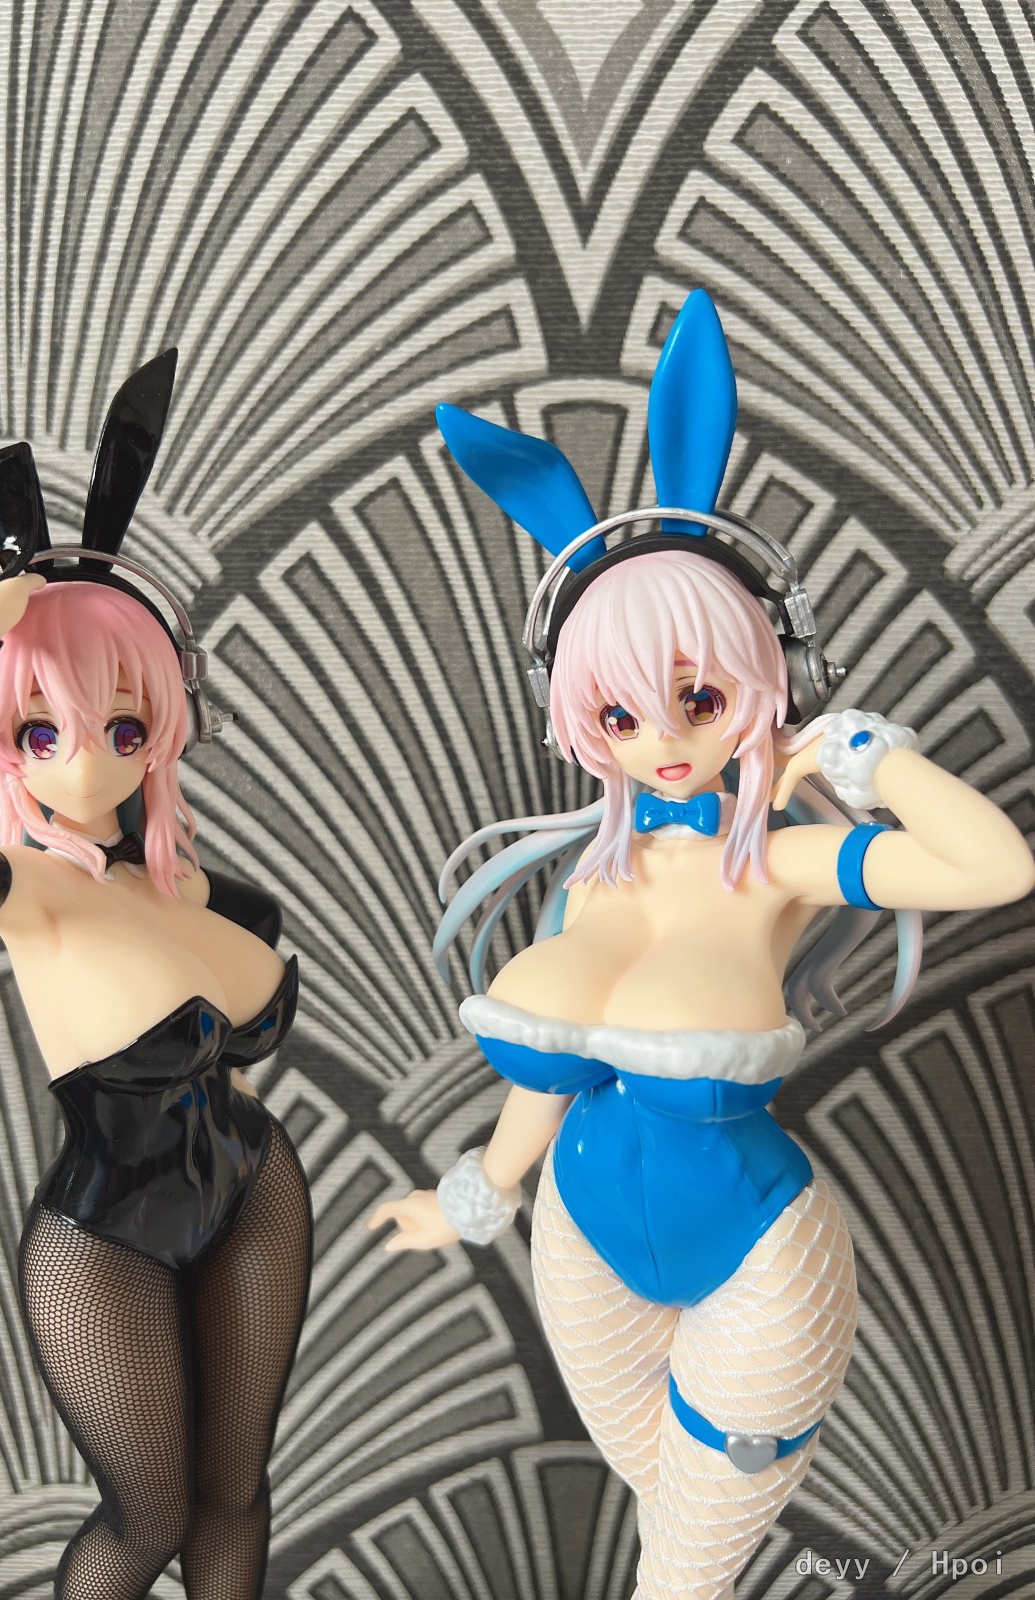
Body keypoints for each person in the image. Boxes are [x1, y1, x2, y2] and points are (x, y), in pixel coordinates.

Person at [369, 292, 1034, 1599]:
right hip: (580, 1255)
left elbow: (998, 867)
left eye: (700, 696)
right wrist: (473, 1199)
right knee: (673, 1539)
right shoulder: (594, 872)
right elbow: (550, 1073)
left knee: (679, 1575)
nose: (664, 739)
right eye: (622, 713)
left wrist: (869, 757)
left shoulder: (777, 863)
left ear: (758, 680)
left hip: (761, 1265)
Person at [0, 352, 312, 1600]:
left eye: (123, 726)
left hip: (255, 1190)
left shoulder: (193, 887)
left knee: (235, 1493)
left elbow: (236, 957)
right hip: (103, 1237)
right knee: (144, 1521)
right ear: (2, 740)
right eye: (43, 730)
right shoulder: (34, 890)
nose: (90, 762)